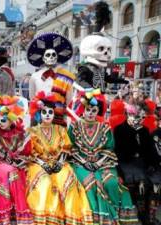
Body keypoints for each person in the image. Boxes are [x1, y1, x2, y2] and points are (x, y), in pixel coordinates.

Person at [68, 91, 138, 224]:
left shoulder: (104, 128)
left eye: (93, 110)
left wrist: (99, 163)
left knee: (111, 182)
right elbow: (71, 148)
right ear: (83, 109)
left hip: (103, 163)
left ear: (97, 112)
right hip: (80, 164)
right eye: (88, 110)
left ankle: (112, 217)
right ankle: (94, 219)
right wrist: (84, 162)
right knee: (91, 183)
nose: (90, 113)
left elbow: (109, 148)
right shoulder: (74, 127)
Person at [26, 91, 93, 224]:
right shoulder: (32, 131)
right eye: (44, 112)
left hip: (59, 163)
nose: (47, 115)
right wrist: (42, 164)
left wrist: (61, 162)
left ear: (54, 114)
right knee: (45, 184)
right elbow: (30, 153)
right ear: (39, 113)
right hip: (38, 164)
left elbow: (66, 148)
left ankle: (68, 219)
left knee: (68, 182)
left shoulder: (61, 129)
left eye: (50, 112)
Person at [0, 94, 33, 224]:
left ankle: (15, 211)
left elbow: (26, 155)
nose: (0, 123)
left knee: (18, 172)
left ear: (12, 119)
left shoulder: (20, 134)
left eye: (4, 120)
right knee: (10, 172)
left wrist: (16, 160)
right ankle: (7, 212)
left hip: (17, 166)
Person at [26, 32, 75, 126]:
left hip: (59, 114)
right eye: (48, 55)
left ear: (57, 57)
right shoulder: (35, 76)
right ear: (43, 58)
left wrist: (59, 108)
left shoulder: (66, 76)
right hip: (40, 114)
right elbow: (32, 97)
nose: (51, 57)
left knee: (58, 139)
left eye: (54, 55)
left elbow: (69, 99)